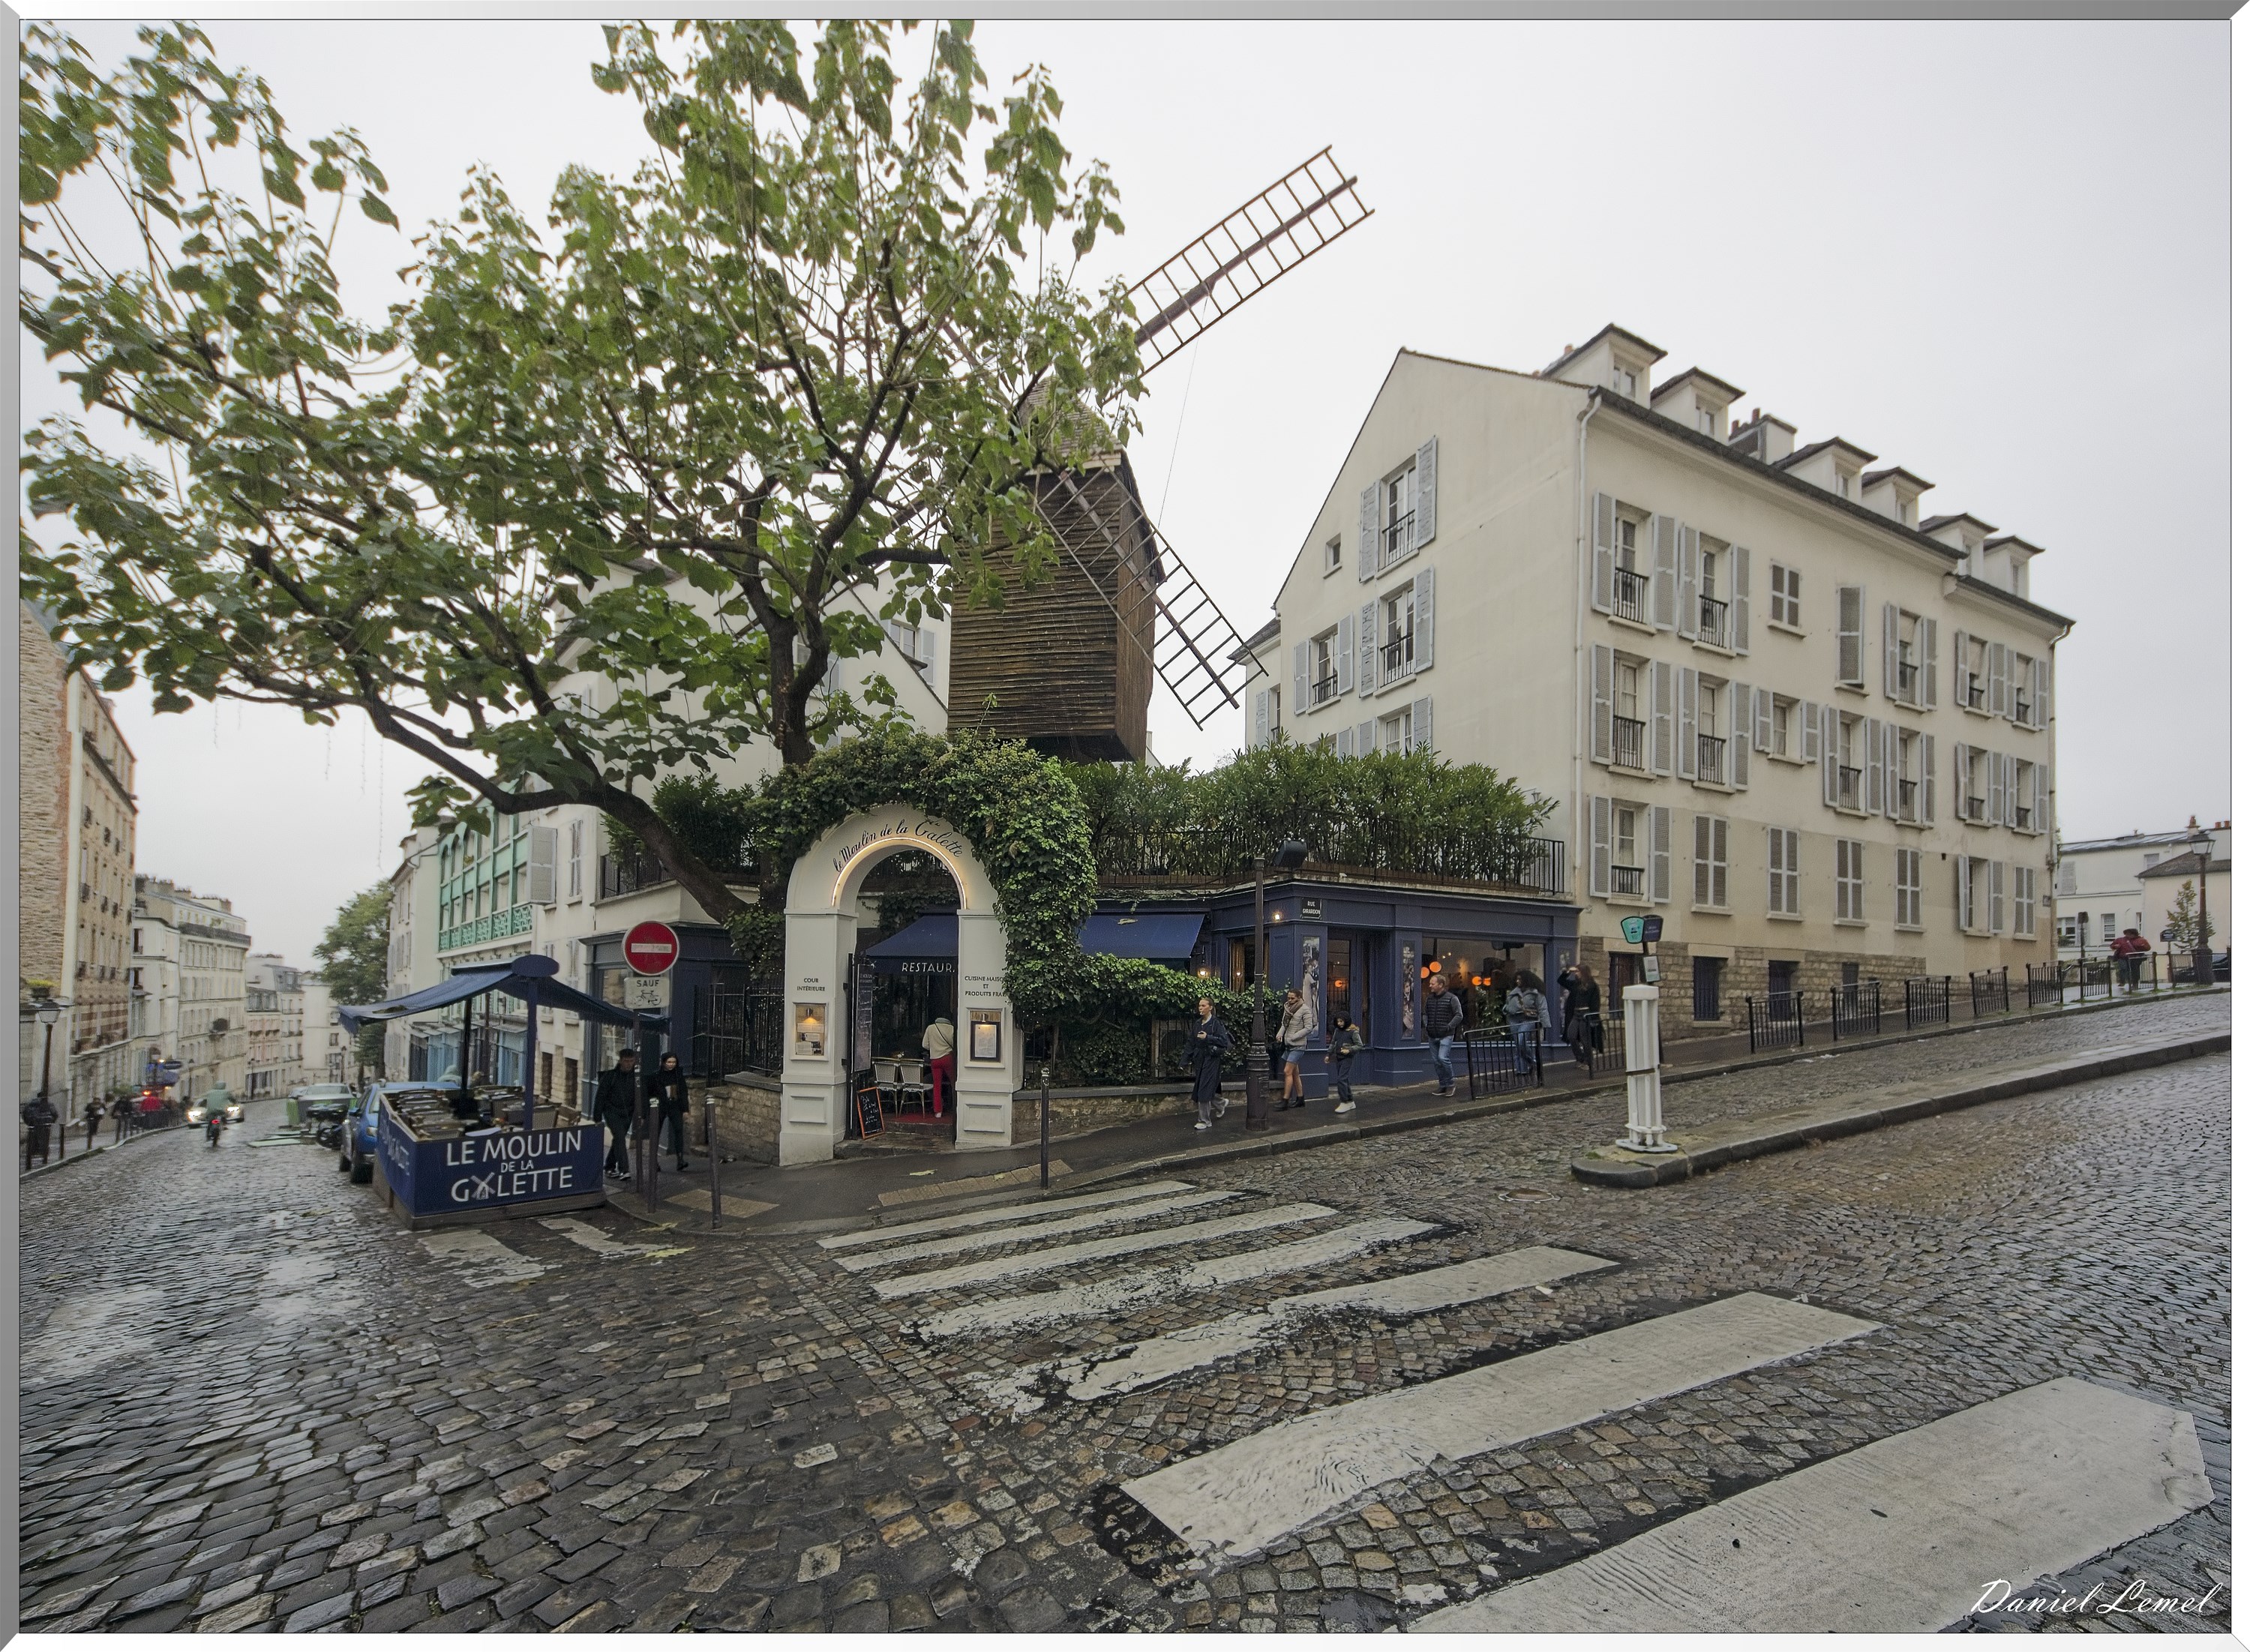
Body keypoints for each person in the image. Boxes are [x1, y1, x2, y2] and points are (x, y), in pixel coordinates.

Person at [594, 1049, 639, 1181]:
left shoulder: (636, 1078)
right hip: (611, 1112)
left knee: (618, 1139)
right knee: (620, 1137)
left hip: (627, 1113)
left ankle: (609, 1166)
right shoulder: (610, 1076)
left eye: (631, 1061)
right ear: (620, 1061)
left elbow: (639, 1097)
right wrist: (597, 1117)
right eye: (626, 1061)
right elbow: (600, 1097)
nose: (629, 1064)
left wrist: (641, 1115)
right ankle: (624, 1170)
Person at [1190, 997, 1232, 1131]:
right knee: (1205, 1087)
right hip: (1201, 1060)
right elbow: (1191, 1042)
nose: (1200, 1008)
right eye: (1199, 1006)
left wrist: (1208, 1037)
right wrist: (1185, 1060)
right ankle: (1220, 1104)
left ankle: (1204, 1121)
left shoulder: (1216, 1023)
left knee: (1203, 1088)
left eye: (1203, 1006)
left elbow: (1223, 1042)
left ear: (1210, 1008)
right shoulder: (1198, 1023)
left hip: (1212, 1060)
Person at [1504, 970, 1551, 1074]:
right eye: (1517, 979)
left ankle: (1533, 1061)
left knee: (1521, 1041)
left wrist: (1544, 1023)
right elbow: (1507, 1004)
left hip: (1529, 1019)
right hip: (1514, 1019)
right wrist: (1506, 1009)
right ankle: (1521, 1070)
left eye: (1520, 979)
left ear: (1526, 980)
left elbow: (1543, 1008)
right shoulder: (1513, 992)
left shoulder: (1536, 993)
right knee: (1518, 1044)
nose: (1517, 981)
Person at [1424, 976, 1464, 1096]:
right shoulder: (1429, 999)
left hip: (1446, 1034)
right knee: (1436, 1061)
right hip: (1432, 1034)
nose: (1430, 985)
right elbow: (1425, 1014)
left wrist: (1449, 1027)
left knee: (1443, 1058)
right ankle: (1443, 1085)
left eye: (1433, 984)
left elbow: (1459, 1015)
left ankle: (1451, 1084)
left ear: (1441, 985)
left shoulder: (1452, 998)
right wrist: (1427, 1025)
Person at [652, 1052, 691, 1171]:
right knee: (656, 1132)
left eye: (673, 1062)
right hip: (661, 1106)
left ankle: (680, 1159)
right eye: (669, 1062)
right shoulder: (657, 1075)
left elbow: (684, 1092)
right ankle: (653, 1161)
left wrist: (685, 1110)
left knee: (679, 1130)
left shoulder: (678, 1075)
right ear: (664, 1062)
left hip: (674, 1105)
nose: (671, 1065)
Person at [1278, 988, 1315, 1110]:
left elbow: (1309, 1027)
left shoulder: (1305, 1010)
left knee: (1287, 1071)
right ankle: (1300, 1099)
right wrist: (1280, 1034)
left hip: (1298, 1046)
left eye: (1292, 998)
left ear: (1299, 998)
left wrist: (1295, 1036)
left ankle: (1285, 1101)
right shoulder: (1288, 1008)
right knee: (1294, 1073)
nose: (1289, 1000)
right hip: (1289, 1044)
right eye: (1288, 998)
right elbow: (1285, 1024)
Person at [1561, 966, 1605, 1063]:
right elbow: (1561, 981)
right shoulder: (1575, 984)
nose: (1576, 974)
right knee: (1571, 1035)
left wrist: (1592, 1016)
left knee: (1585, 1039)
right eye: (1576, 972)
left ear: (1584, 973)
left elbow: (1595, 1002)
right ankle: (1580, 1057)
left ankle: (1588, 1060)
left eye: (1578, 972)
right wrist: (1568, 972)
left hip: (1586, 1014)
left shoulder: (1592, 986)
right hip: (1576, 1014)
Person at [922, 1015, 956, 1121]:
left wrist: (934, 1048)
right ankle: (956, 1107)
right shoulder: (951, 1029)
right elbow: (955, 1044)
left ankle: (938, 1112)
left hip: (935, 1060)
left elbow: (925, 1045)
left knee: (937, 1086)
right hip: (948, 1058)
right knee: (954, 1083)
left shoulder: (931, 1028)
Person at [1328, 1014, 1364, 1115]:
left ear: (1346, 1021)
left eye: (1342, 1021)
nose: (1340, 1024)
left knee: (1341, 1079)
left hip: (1347, 1058)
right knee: (1344, 1079)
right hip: (1339, 1057)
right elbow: (1333, 1043)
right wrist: (1328, 1054)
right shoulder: (1337, 1031)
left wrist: (1349, 1050)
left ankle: (1345, 1102)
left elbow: (1360, 1045)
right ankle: (1350, 1101)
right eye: (1338, 1021)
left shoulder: (1353, 1031)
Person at [21, 1093, 57, 1170]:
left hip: (34, 1124)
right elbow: (55, 1114)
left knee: (34, 1139)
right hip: (45, 1125)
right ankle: (43, 1155)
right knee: (44, 1140)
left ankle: (33, 1152)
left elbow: (24, 1114)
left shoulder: (31, 1105)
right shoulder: (48, 1104)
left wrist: (29, 1123)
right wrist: (51, 1122)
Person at [2111, 926, 2152, 991]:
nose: (2128, 935)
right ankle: (2123, 981)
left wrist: (2143, 946)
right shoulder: (2121, 940)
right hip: (2123, 957)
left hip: (2135, 958)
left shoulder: (2140, 940)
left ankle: (2135, 984)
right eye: (2126, 934)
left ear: (2134, 934)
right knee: (2123, 969)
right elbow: (2112, 945)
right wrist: (2115, 946)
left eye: (2130, 934)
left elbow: (2148, 948)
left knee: (2135, 971)